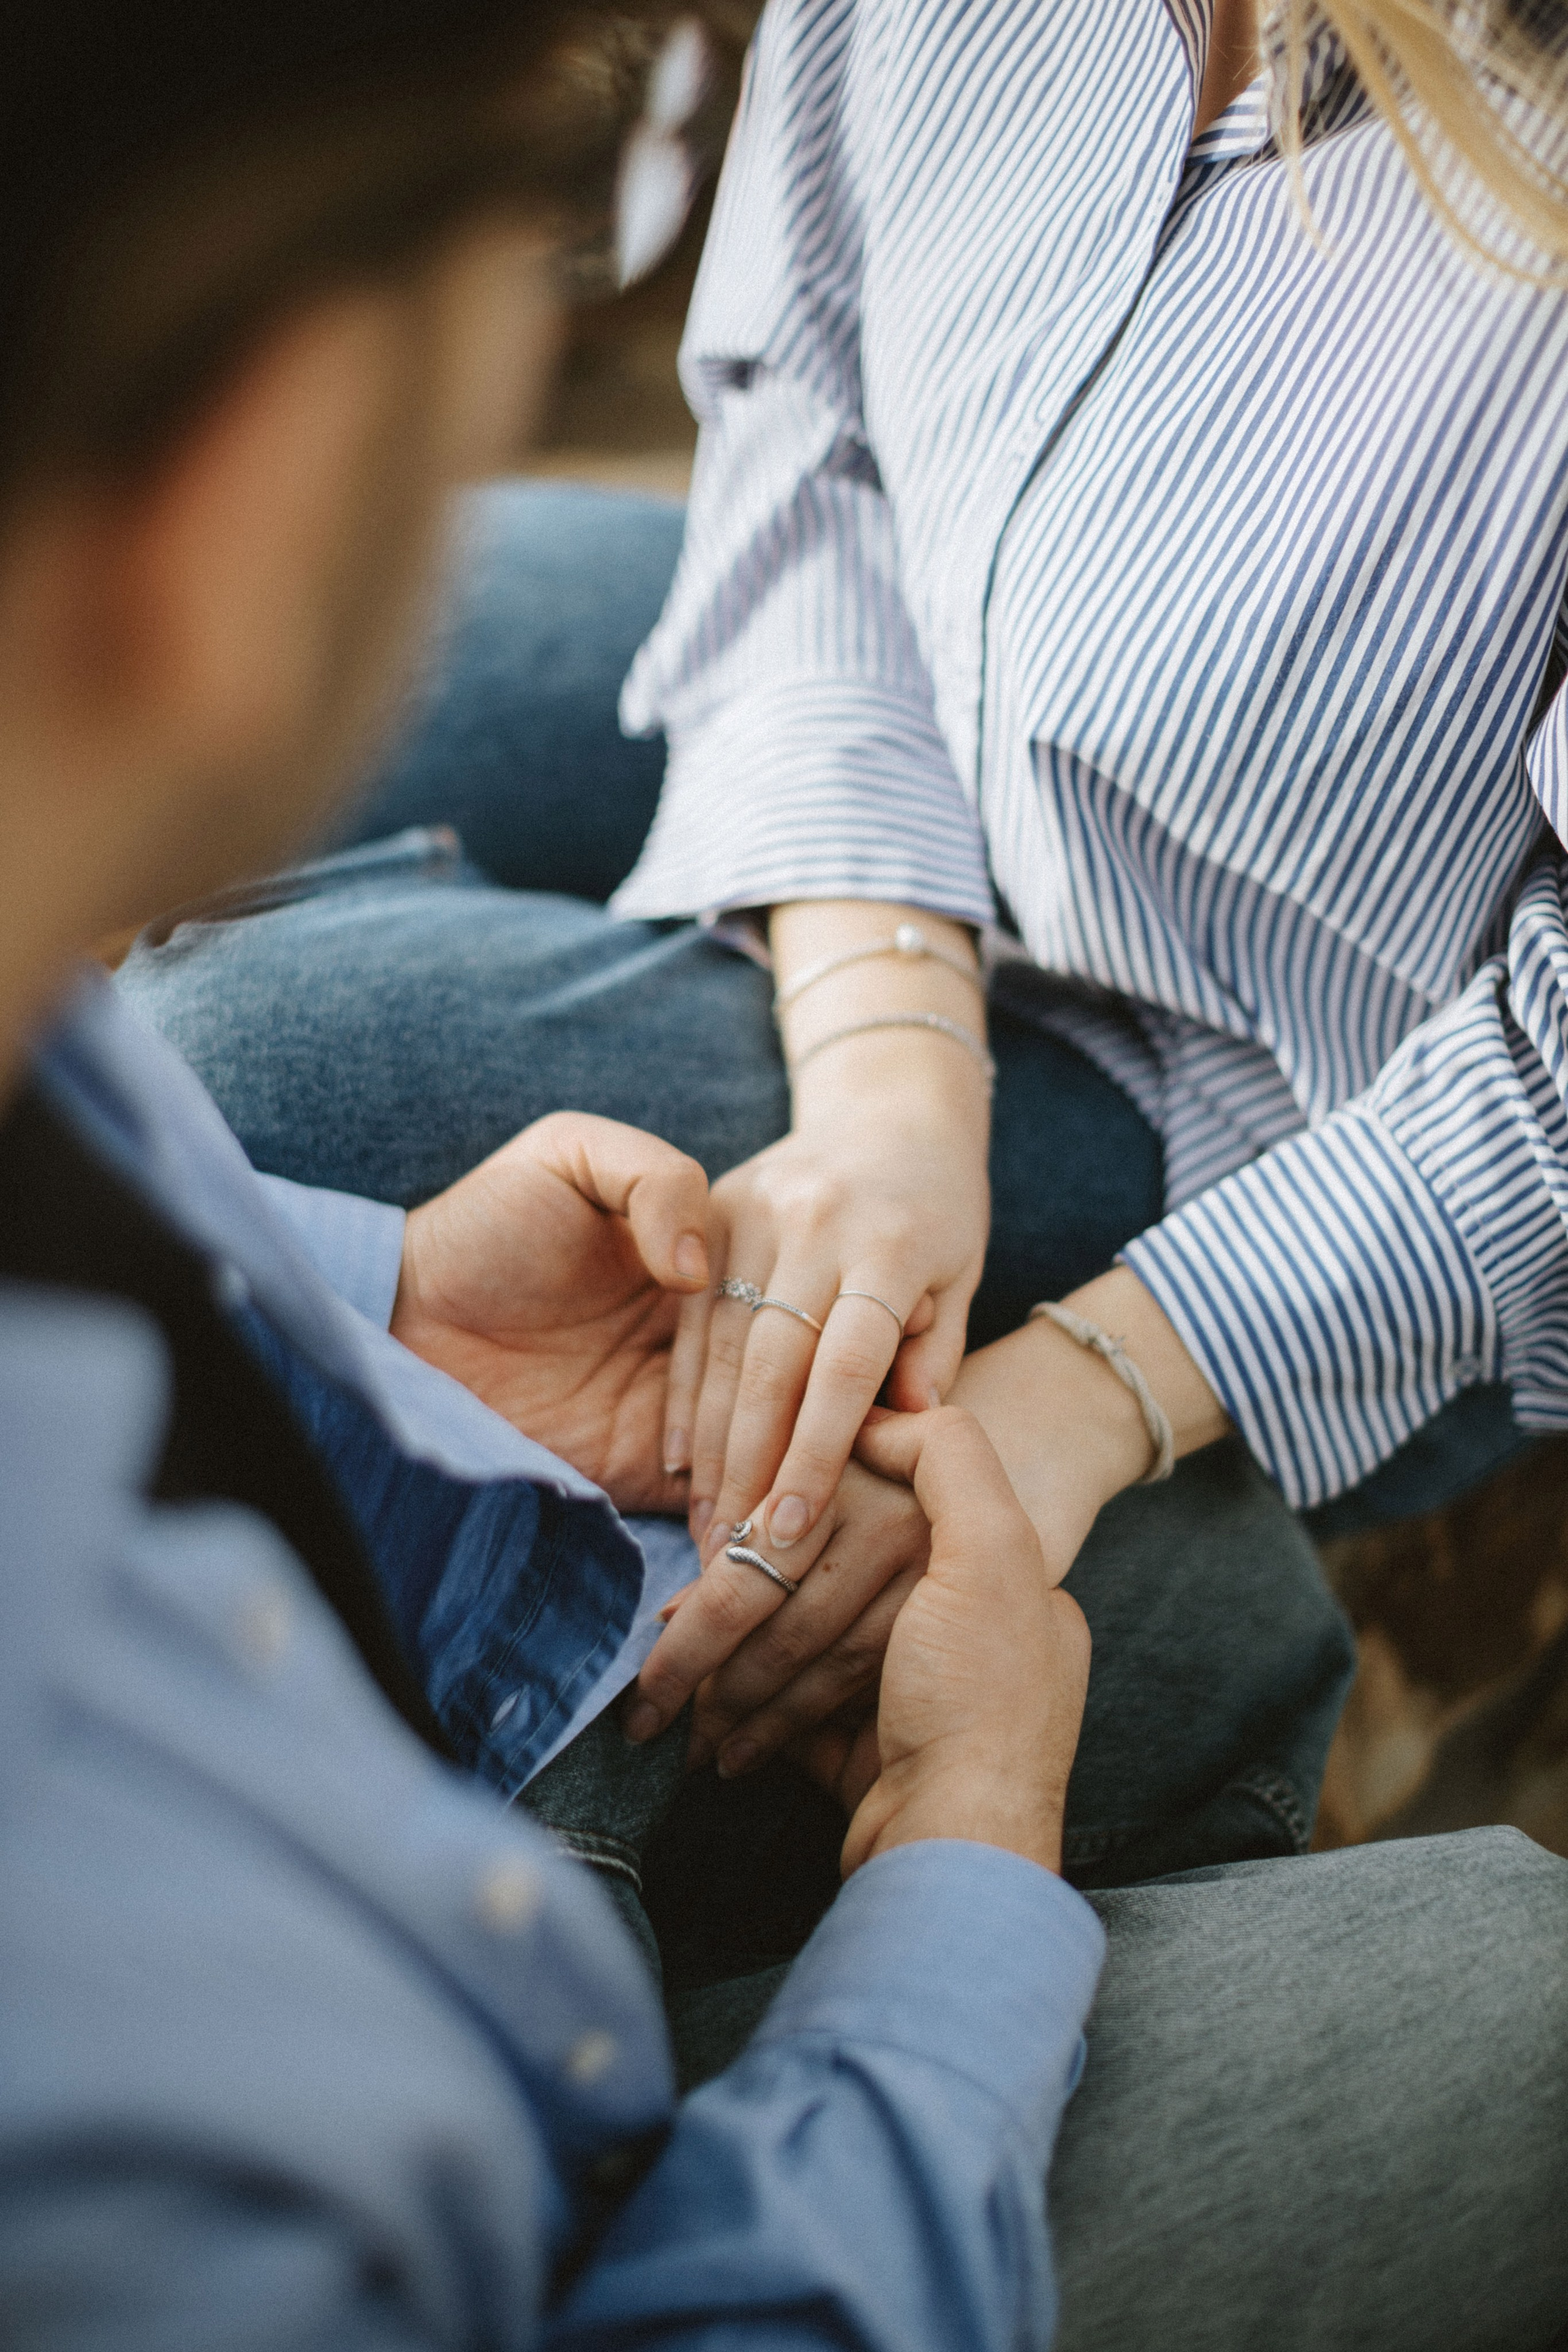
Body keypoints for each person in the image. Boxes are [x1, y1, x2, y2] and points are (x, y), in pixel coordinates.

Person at [4, 9, 1566, 2352]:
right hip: (911, 751)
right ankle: (1085, 1694)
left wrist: (1073, 1389)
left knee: (265, 1043)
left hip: (1294, 1099)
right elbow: (805, 421)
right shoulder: (214, 2136)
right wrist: (887, 1046)